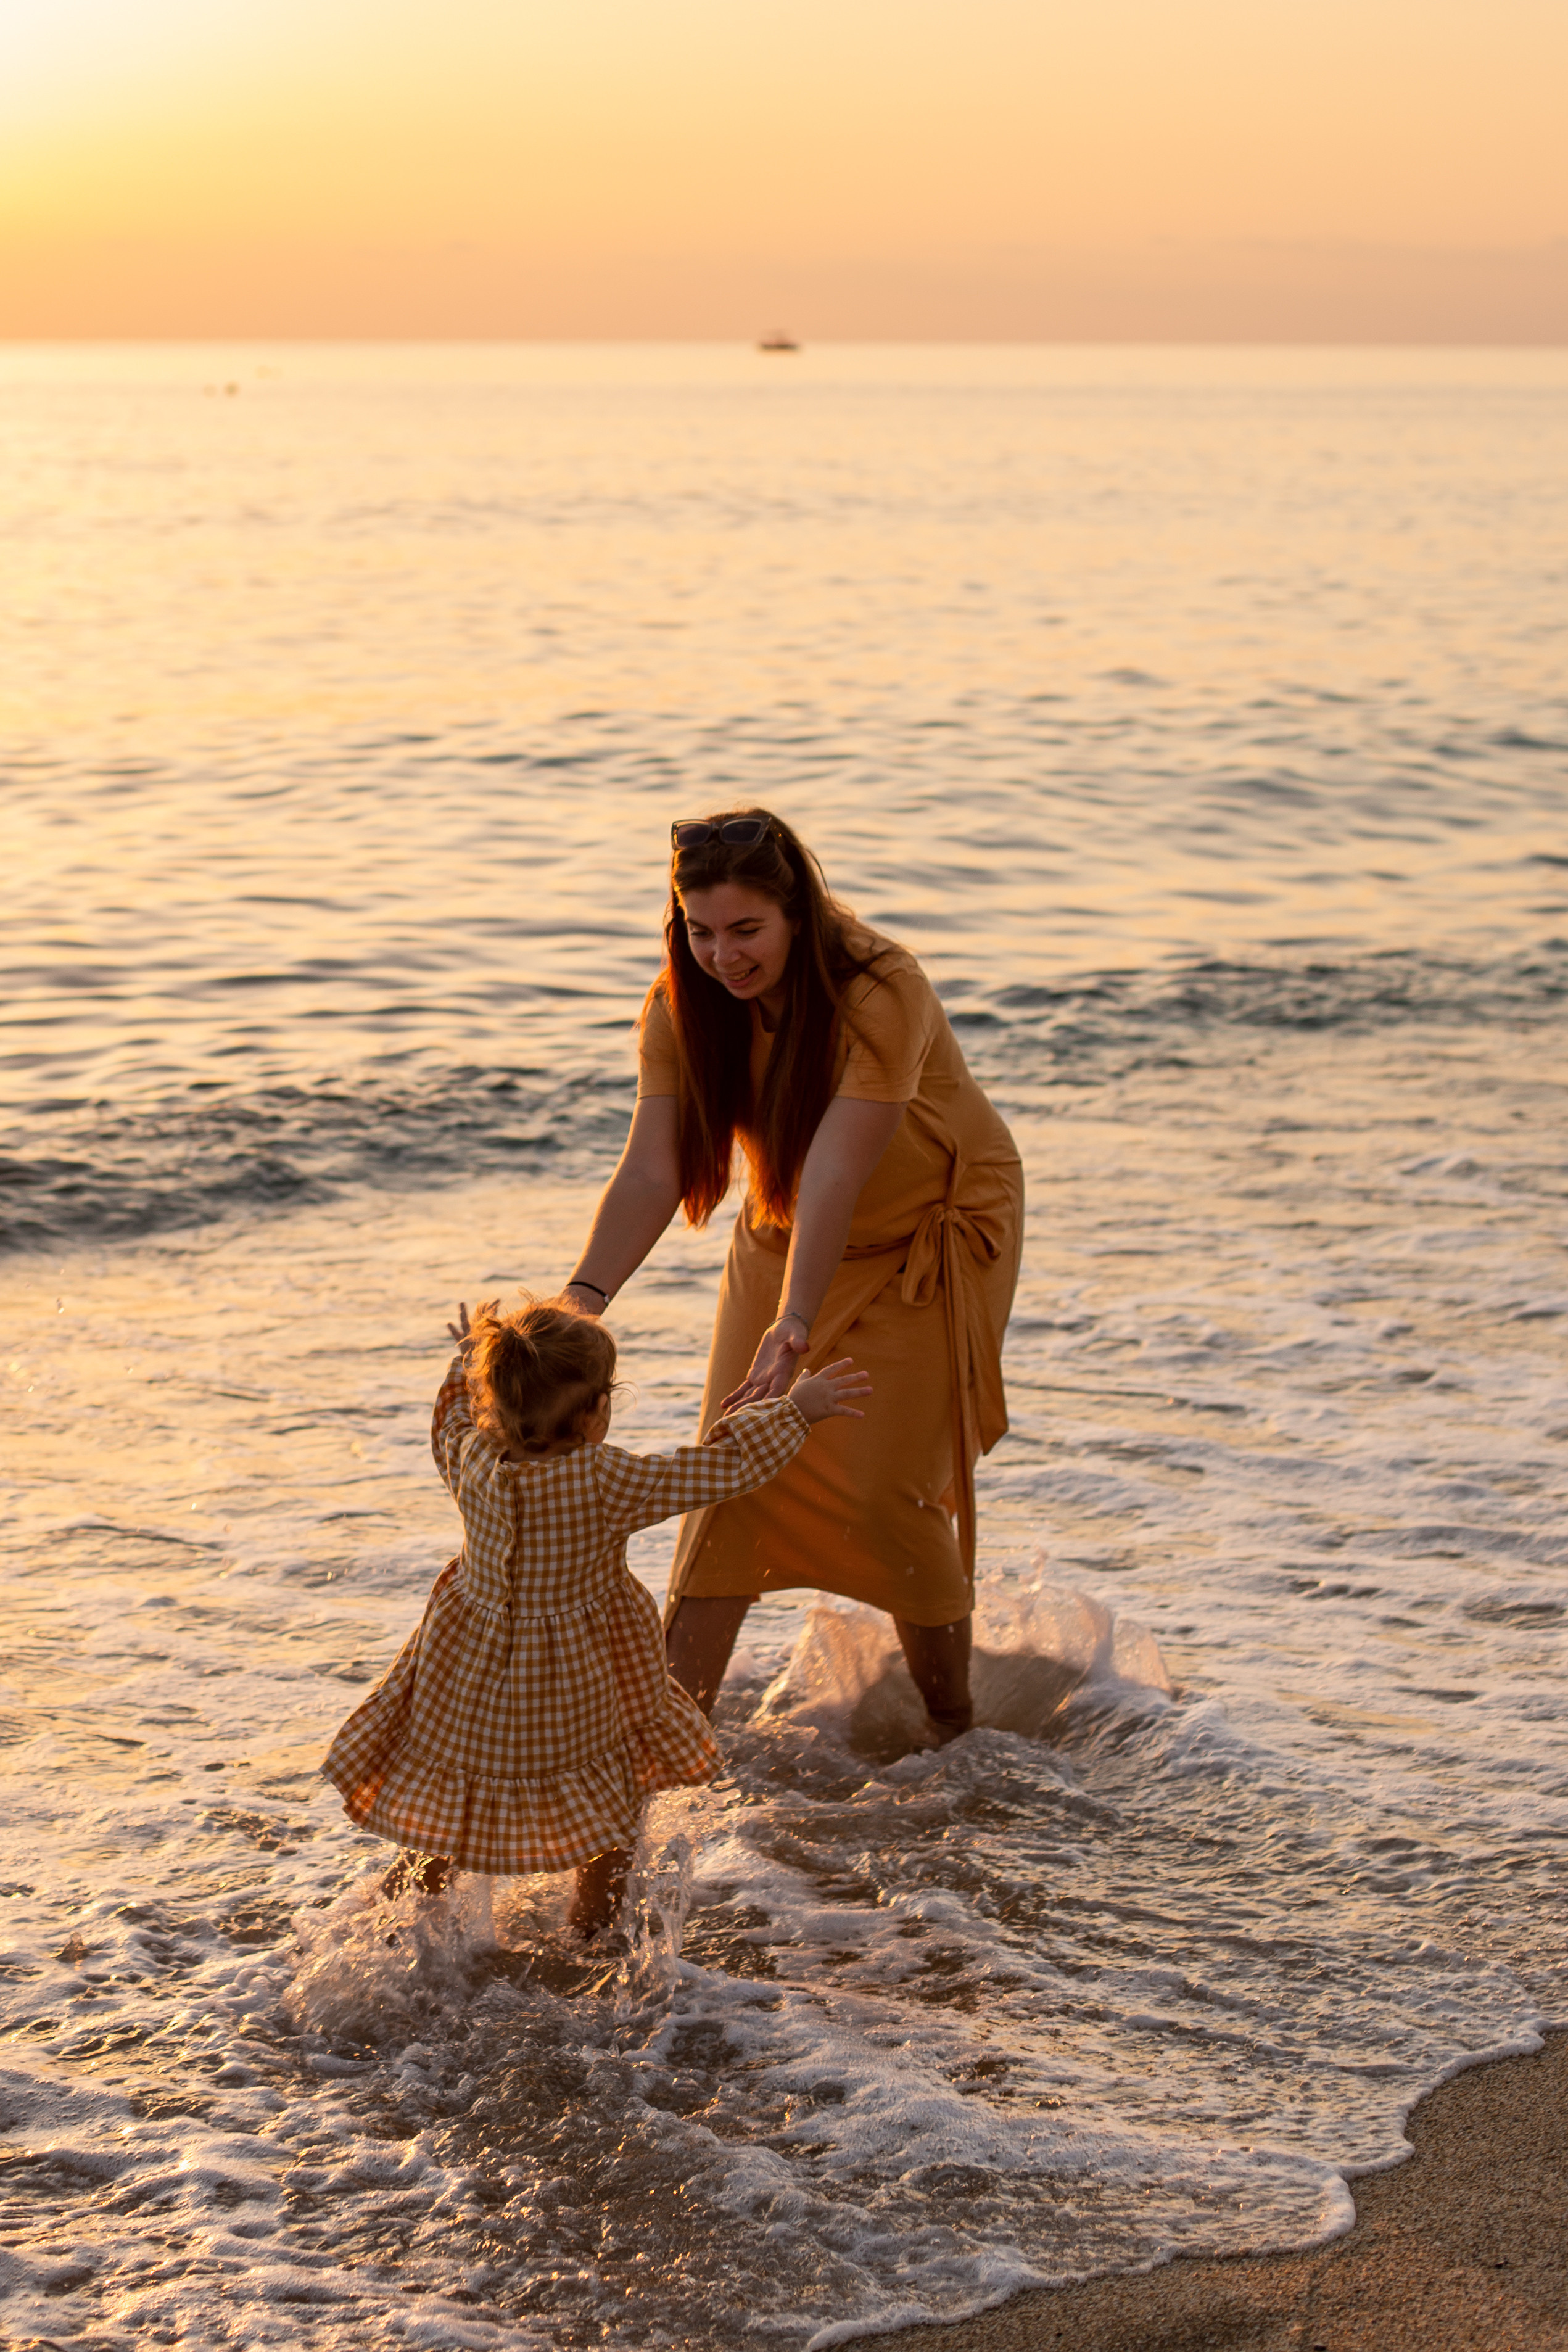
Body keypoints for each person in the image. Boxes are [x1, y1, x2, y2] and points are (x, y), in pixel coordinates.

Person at [560, 810, 1023, 1744]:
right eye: (700, 931)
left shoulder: (881, 988)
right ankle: (662, 1753)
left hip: (927, 1242)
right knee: (731, 1473)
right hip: (785, 1234)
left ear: (798, 916)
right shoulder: (681, 1008)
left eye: (746, 930)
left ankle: (956, 1739)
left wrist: (794, 1323)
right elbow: (651, 1168)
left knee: (886, 1492)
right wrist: (579, 1304)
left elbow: (837, 1170)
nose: (722, 957)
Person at [321, 1294, 871, 1937]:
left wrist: (465, 1360)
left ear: (494, 1400)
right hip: (571, 1684)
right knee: (611, 1816)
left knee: (445, 1813)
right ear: (593, 1414)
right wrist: (795, 1411)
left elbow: (448, 1417)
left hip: (465, 1675)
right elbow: (719, 1468)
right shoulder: (605, 1481)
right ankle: (592, 1932)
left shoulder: (471, 1457)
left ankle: (384, 1930)